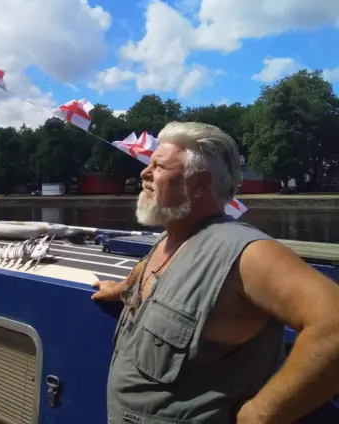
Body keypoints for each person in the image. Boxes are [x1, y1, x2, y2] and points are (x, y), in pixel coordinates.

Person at [91, 121, 339, 424]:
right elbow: (154, 271)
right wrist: (122, 289)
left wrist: (261, 414)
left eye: (158, 166)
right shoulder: (172, 238)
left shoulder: (245, 252)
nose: (144, 173)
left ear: (198, 184)